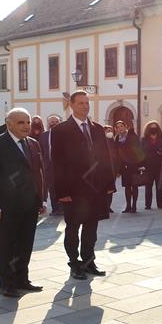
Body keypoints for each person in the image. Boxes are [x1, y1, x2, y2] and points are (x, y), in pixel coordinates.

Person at [0, 108, 46, 297]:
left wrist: (40, 200)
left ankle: (22, 279)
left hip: (29, 206)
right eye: (20, 123)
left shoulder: (33, 144)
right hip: (5, 207)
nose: (26, 126)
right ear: (9, 124)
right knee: (6, 246)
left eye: (28, 122)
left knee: (25, 244)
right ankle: (6, 283)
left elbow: (38, 174)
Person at [52, 91, 116, 280]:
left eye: (87, 103)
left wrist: (109, 183)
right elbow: (57, 162)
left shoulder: (96, 128)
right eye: (81, 103)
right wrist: (61, 191)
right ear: (71, 105)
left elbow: (106, 157)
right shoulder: (61, 130)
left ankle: (89, 261)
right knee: (73, 228)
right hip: (73, 190)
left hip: (95, 189)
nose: (85, 106)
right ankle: (74, 264)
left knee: (91, 228)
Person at [115, 121, 144, 213]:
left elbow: (139, 150)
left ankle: (134, 206)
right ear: (116, 129)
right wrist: (118, 169)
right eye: (118, 127)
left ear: (125, 127)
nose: (120, 128)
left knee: (134, 185)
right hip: (124, 166)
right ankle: (128, 206)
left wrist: (140, 165)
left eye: (122, 126)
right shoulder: (117, 139)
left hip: (133, 165)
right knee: (127, 186)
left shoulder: (132, 137)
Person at [141, 120, 162, 209]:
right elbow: (140, 152)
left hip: (160, 166)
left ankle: (160, 203)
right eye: (151, 127)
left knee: (159, 185)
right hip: (148, 166)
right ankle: (148, 204)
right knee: (148, 185)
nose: (153, 129)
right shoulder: (143, 139)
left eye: (155, 127)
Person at [38, 115, 62, 215]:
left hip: (61, 167)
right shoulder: (43, 136)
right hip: (48, 167)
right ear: (48, 123)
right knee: (52, 188)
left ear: (59, 122)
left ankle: (63, 208)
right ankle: (55, 208)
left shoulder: (64, 135)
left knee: (61, 187)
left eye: (55, 121)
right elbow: (41, 151)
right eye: (51, 121)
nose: (53, 123)